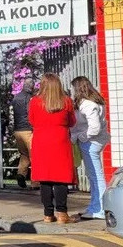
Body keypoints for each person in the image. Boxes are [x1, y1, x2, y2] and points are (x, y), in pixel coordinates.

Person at [28, 73, 77, 225]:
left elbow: (31, 120)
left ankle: (48, 214)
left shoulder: (35, 102)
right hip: (60, 140)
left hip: (41, 140)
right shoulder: (66, 101)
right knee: (60, 178)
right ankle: (62, 213)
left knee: (45, 179)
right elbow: (72, 122)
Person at [70, 76, 111, 220]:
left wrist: (79, 137)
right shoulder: (95, 101)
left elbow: (94, 128)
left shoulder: (88, 104)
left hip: (91, 142)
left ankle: (99, 208)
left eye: (73, 88)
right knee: (93, 176)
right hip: (94, 141)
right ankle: (95, 206)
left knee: (95, 176)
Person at [11, 78, 35, 189]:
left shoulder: (16, 98)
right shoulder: (29, 98)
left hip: (17, 130)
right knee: (34, 155)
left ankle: (21, 174)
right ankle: (36, 182)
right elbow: (30, 114)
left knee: (24, 154)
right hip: (28, 130)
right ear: (31, 86)